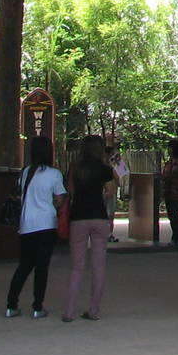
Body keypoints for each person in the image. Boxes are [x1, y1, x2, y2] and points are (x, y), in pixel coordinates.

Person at [6, 135, 66, 318]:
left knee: (24, 266)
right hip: (46, 224)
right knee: (42, 267)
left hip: (26, 225)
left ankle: (11, 305)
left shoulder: (25, 172)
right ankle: (37, 307)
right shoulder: (54, 174)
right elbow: (60, 199)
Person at [63, 133, 115, 322]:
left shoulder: (75, 168)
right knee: (98, 266)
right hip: (99, 217)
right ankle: (94, 310)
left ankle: (69, 312)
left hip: (79, 217)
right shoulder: (105, 170)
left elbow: (71, 191)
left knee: (77, 267)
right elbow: (110, 192)